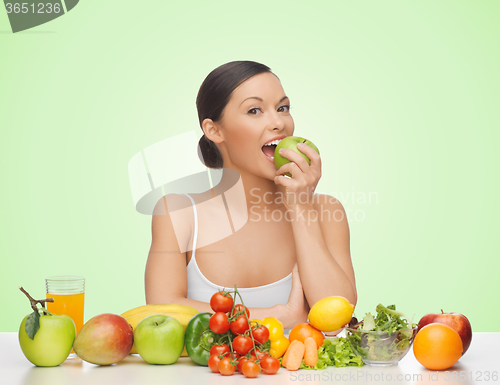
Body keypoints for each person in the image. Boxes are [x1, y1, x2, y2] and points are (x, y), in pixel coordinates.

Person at [144, 61, 357, 329]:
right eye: (254, 110)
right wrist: (276, 317)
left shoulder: (326, 212)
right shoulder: (179, 213)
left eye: (283, 108)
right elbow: (162, 308)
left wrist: (301, 208)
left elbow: (338, 314)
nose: (278, 122)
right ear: (214, 130)